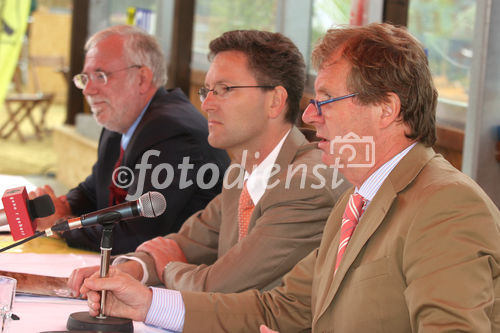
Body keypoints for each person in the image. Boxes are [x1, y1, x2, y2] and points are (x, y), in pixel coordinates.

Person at [81, 23, 500, 332]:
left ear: (386, 109)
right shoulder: (356, 201)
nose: (309, 116)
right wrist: (146, 304)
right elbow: (278, 309)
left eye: (327, 100)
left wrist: (165, 274)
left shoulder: (445, 205)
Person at [68, 29, 348, 296]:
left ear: (275, 101)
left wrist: (166, 268)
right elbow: (188, 242)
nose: (207, 104)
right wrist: (129, 269)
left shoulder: (306, 183)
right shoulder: (241, 169)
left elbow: (220, 285)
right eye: (207, 91)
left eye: (224, 89)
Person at [30, 25, 230, 254]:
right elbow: (93, 191)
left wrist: (61, 225)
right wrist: (60, 205)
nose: (87, 90)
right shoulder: (120, 122)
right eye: (85, 78)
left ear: (142, 79)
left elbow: (136, 235)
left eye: (100, 75)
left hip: (177, 278)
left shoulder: (173, 133)